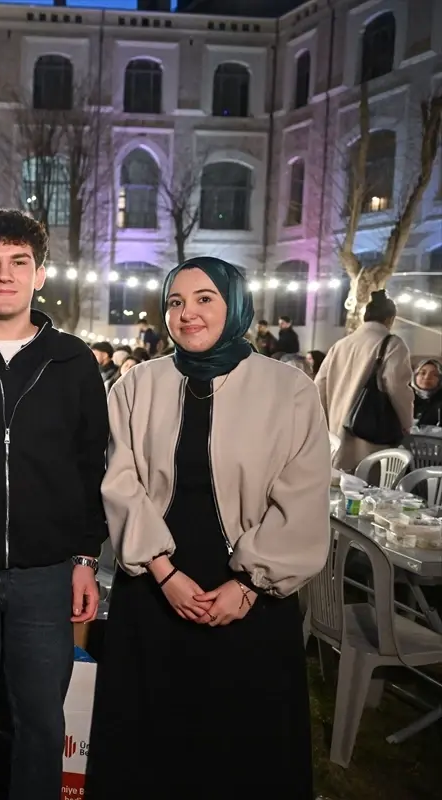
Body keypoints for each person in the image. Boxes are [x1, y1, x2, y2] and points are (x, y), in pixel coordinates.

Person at [86, 257, 330, 799]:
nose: (187, 313)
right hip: (153, 588)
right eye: (176, 301)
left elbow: (303, 496)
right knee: (148, 742)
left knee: (241, 745)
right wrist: (163, 572)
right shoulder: (136, 386)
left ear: (235, 305)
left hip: (250, 597)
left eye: (204, 299)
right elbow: (119, 481)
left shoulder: (289, 390)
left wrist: (247, 585)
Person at [0, 209, 106, 799]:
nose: (4, 275)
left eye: (18, 263)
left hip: (46, 573)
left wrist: (86, 557)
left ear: (39, 275)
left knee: (41, 723)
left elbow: (91, 467)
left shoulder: (74, 362)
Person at [314, 290, 414, 470]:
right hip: (372, 435)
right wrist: (407, 422)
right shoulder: (393, 344)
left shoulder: (340, 345)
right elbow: (397, 387)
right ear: (390, 319)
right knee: (371, 488)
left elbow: (319, 387)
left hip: (336, 434)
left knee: (343, 487)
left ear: (364, 317)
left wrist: (326, 426)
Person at [411, 358, 442, 427]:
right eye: (422, 373)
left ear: (440, 379)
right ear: (415, 376)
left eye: (434, 374)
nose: (427, 377)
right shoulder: (404, 397)